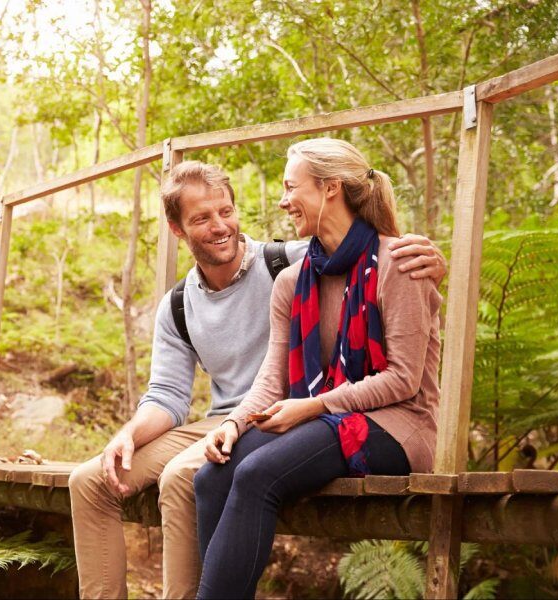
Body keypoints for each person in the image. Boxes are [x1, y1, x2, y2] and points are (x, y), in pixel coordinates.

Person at [68, 160, 445, 599]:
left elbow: (372, 252)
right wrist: (129, 435)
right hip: (233, 417)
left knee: (182, 476)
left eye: (225, 211)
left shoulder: (288, 261)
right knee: (89, 480)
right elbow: (169, 397)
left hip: (297, 414)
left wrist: (433, 260)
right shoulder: (178, 305)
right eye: (202, 219)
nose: (219, 226)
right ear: (177, 230)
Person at [194, 138, 443, 599]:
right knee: (212, 475)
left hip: (399, 425)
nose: (283, 199)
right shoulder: (293, 279)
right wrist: (233, 423)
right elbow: (272, 378)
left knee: (256, 474)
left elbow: (405, 379)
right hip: (329, 417)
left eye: (292, 187)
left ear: (330, 188)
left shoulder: (399, 263)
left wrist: (312, 406)